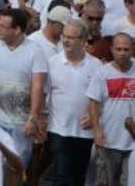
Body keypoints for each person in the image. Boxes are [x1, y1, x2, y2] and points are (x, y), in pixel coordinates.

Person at [0, 8, 48, 183]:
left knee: (16, 168)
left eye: (2, 26)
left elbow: (37, 87)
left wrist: (33, 118)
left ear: (17, 30)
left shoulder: (35, 51)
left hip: (21, 124)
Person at [46, 19, 102, 186]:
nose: (66, 40)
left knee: (79, 177)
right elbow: (44, 94)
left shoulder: (96, 65)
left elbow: (101, 99)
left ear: (83, 40)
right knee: (62, 177)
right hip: (58, 129)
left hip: (84, 132)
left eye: (72, 37)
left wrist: (95, 115)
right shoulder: (52, 63)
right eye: (64, 36)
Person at [86, 32, 134, 186]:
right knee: (106, 182)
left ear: (132, 49)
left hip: (133, 143)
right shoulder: (102, 72)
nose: (122, 53)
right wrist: (97, 130)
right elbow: (93, 103)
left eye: (126, 49)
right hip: (109, 140)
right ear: (112, 50)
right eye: (118, 49)